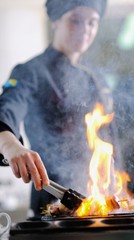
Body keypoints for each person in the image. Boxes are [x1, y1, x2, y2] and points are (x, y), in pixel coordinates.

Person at [0, 0, 108, 217]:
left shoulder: (94, 80)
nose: (84, 30)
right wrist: (10, 145)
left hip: (97, 201)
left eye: (92, 23)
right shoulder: (30, 72)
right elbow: (7, 107)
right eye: (75, 20)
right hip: (52, 202)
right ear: (56, 20)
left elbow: (107, 143)